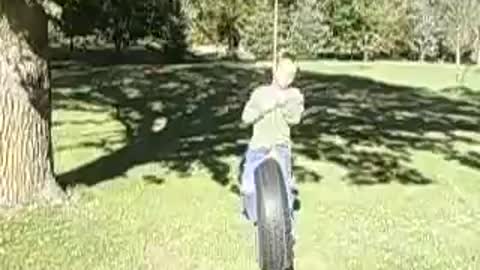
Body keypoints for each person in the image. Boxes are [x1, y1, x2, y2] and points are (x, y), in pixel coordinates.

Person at [239, 57, 304, 240]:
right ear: (275, 72)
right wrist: (263, 108)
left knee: (285, 186)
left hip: (280, 146)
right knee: (249, 185)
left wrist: (283, 105)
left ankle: (287, 227)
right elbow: (246, 117)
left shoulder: (295, 95)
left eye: (290, 75)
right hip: (258, 146)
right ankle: (257, 219)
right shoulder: (260, 93)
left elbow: (295, 119)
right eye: (283, 72)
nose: (286, 78)